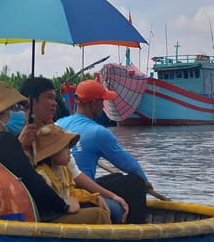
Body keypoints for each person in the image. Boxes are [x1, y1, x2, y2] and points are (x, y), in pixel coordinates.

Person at [0, 81, 103, 224]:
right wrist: (63, 205)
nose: (21, 112)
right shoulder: (5, 140)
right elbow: (32, 182)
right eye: (15, 107)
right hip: (25, 216)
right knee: (98, 214)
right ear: (0, 111)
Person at [19, 76, 129, 223]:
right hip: (49, 208)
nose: (54, 103)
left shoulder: (55, 131)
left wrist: (104, 196)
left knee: (124, 184)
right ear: (32, 101)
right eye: (49, 98)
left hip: (67, 195)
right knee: (114, 210)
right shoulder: (20, 135)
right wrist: (20, 145)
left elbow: (75, 174)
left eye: (54, 98)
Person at [56, 79, 152, 223]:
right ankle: (136, 231)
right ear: (93, 103)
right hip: (79, 190)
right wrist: (145, 182)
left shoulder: (59, 123)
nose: (104, 105)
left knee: (118, 177)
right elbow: (129, 165)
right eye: (102, 101)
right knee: (135, 182)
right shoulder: (98, 132)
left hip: (65, 187)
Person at [33, 124, 111, 224]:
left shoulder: (65, 170)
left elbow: (72, 192)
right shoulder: (42, 174)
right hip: (53, 217)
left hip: (66, 211)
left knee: (98, 207)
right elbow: (48, 203)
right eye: (65, 148)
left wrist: (94, 197)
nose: (69, 152)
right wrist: (68, 204)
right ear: (53, 152)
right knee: (99, 215)